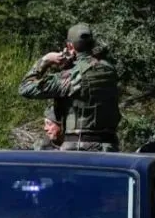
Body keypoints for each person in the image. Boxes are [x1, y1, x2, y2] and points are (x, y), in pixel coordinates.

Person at [19, 23, 121, 152]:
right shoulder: (109, 69)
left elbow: (25, 88)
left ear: (70, 46)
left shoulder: (72, 75)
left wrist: (46, 60)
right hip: (109, 146)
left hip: (79, 147)